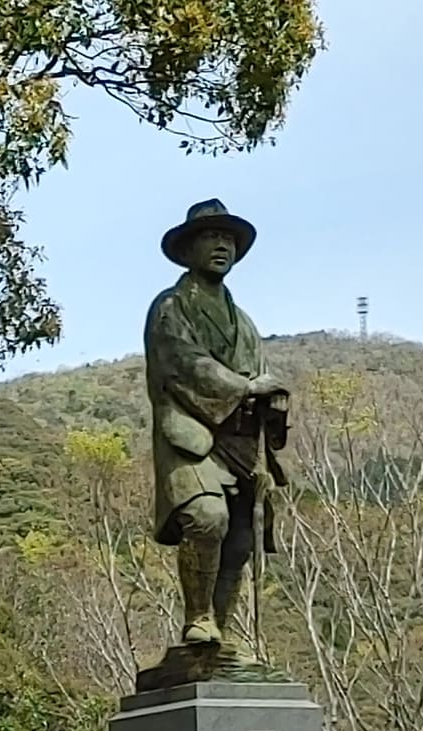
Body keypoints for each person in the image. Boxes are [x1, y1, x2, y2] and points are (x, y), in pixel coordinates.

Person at [144, 199, 288, 652]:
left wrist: (272, 399)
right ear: (189, 249)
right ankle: (198, 618)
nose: (222, 245)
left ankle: (220, 632)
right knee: (206, 518)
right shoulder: (170, 307)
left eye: (229, 239)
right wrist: (244, 389)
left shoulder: (244, 322)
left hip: (240, 442)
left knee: (240, 538)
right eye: (212, 237)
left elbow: (260, 376)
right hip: (191, 435)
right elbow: (183, 363)